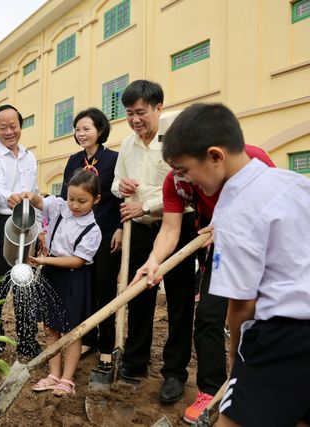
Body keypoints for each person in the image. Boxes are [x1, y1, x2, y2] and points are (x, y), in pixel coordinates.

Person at [160, 102, 310, 427]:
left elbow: (242, 304)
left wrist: (237, 354)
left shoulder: (233, 210)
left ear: (215, 156)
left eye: (184, 169)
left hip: (284, 334)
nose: (183, 179)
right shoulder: (294, 182)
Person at [133, 140, 274, 423]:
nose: (180, 175)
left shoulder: (252, 162)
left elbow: (275, 213)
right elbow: (171, 230)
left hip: (268, 250)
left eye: (185, 167)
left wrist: (233, 225)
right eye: (174, 167)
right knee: (208, 316)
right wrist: (153, 260)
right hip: (221, 249)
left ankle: (262, 385)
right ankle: (212, 390)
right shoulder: (176, 181)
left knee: (263, 319)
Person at [112, 80, 196, 403]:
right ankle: (135, 361)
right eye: (130, 114)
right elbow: (117, 180)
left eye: (141, 113)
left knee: (179, 299)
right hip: (141, 229)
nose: (135, 120)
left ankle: (174, 372)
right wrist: (122, 185)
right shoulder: (127, 145)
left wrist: (145, 204)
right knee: (138, 294)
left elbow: (186, 185)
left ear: (159, 108)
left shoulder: (176, 135)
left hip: (178, 225)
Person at [23, 169, 102, 396]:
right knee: (50, 328)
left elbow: (77, 261)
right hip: (51, 274)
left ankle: (67, 379)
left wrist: (44, 259)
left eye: (82, 201)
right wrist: (29, 196)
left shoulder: (92, 230)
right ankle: (53, 374)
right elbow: (40, 202)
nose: (74, 205)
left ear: (96, 200)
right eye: (71, 199)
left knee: (71, 331)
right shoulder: (60, 208)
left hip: (73, 279)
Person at [60, 107, 122, 372]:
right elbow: (66, 199)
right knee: (82, 290)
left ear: (100, 130)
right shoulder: (73, 160)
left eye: (87, 128)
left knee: (104, 290)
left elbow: (122, 197)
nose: (81, 133)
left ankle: (107, 346)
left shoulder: (114, 159)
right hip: (77, 237)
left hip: (107, 234)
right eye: (78, 129)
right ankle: (88, 338)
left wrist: (120, 227)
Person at [0, 104, 42, 359]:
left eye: (13, 125)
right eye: (3, 127)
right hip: (0, 225)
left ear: (20, 126)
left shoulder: (29, 156)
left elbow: (36, 192)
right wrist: (10, 197)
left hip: (27, 227)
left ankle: (27, 341)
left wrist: (40, 229)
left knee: (25, 285)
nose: (9, 131)